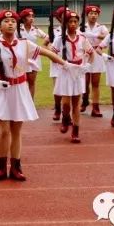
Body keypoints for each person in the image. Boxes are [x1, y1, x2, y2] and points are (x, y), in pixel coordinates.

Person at [0, 10, 77, 181]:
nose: (10, 24)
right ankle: (1, 166)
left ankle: (16, 166)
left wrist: (65, 64)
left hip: (20, 88)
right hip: (3, 90)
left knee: (16, 130)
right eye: (6, 21)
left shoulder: (24, 44)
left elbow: (46, 52)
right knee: (4, 130)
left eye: (13, 21)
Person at [49, 10, 94, 143]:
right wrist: (62, 64)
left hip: (78, 71)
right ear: (65, 23)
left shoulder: (82, 38)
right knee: (66, 102)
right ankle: (65, 118)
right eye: (70, 22)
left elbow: (91, 53)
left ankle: (75, 130)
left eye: (75, 22)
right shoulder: (60, 38)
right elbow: (52, 55)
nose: (73, 24)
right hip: (66, 71)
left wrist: (88, 65)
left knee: (76, 103)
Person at [81, 4, 109, 117]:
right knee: (85, 82)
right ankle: (84, 101)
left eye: (95, 14)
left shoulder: (101, 27)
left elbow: (107, 37)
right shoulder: (82, 26)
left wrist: (93, 35)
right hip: (85, 54)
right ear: (87, 15)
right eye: (91, 13)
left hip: (97, 54)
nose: (93, 15)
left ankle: (95, 107)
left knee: (95, 83)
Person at [17, 8, 49, 97]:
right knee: (21, 82)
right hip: (21, 57)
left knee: (31, 82)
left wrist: (43, 45)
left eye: (32, 16)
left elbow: (47, 36)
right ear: (23, 18)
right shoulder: (18, 29)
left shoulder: (35, 29)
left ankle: (31, 102)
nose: (31, 18)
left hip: (34, 58)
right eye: (29, 16)